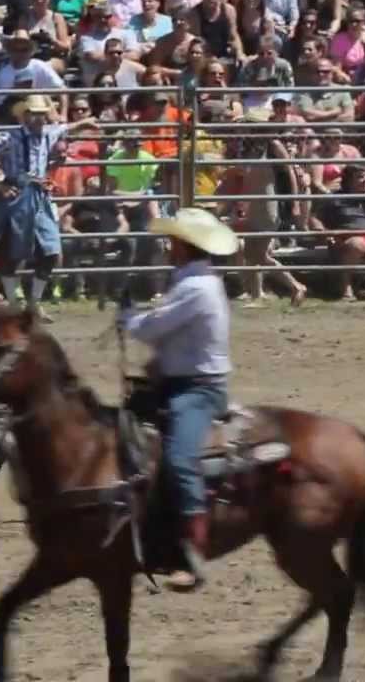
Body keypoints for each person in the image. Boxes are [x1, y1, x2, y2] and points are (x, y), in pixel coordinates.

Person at [117, 206, 238, 593]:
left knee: (181, 459)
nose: (169, 247)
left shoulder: (195, 287)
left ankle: (194, 553)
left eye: (173, 241)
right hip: (182, 382)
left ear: (185, 246)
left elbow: (154, 328)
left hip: (197, 388)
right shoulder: (195, 281)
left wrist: (128, 318)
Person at [0, 93, 96, 322]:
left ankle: (33, 303)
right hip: (17, 193)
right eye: (34, 114)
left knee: (51, 250)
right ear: (25, 115)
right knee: (13, 250)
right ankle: (13, 304)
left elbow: (66, 128)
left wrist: (84, 123)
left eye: (41, 114)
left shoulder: (49, 133)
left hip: (39, 194)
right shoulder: (11, 136)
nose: (39, 119)